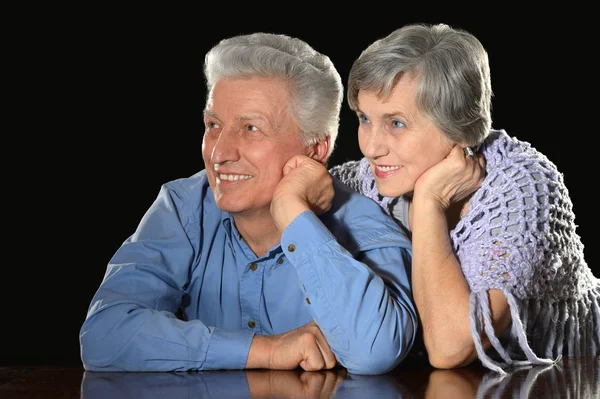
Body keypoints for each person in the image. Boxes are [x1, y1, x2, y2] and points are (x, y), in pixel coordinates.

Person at [79, 32, 418, 375]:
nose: (218, 153)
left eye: (251, 128)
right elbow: (103, 335)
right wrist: (266, 351)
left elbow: (376, 350)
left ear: (315, 149)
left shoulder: (363, 226)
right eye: (213, 125)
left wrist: (291, 211)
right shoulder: (184, 208)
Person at [330, 23, 600, 375]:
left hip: (569, 377)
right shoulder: (361, 182)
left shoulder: (521, 186)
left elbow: (450, 347)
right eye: (365, 119)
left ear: (458, 127)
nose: (371, 147)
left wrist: (429, 204)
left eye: (396, 123)